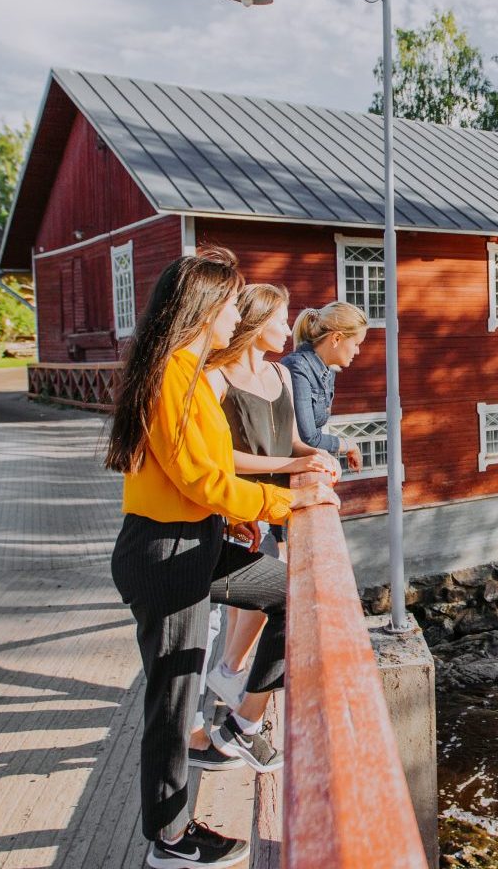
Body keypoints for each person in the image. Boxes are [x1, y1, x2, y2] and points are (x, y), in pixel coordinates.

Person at [105, 247, 337, 869]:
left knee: (292, 595)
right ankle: (171, 839)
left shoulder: (185, 367)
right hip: (165, 552)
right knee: (171, 699)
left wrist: (260, 502)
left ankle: (238, 722)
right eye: (233, 303)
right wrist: (289, 503)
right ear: (205, 306)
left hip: (196, 541)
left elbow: (208, 476)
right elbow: (204, 480)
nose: (238, 313)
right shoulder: (173, 374)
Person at [202, 282, 333, 710]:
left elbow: (294, 441)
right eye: (279, 319)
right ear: (256, 323)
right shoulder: (216, 378)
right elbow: (220, 458)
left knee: (258, 599)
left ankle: (229, 675)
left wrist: (317, 457)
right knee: (265, 592)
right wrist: (293, 466)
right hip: (238, 504)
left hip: (278, 502)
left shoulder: (280, 373)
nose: (287, 328)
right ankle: (229, 678)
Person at [281, 301, 371, 473]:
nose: (357, 352)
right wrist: (348, 444)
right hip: (285, 472)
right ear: (336, 338)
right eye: (356, 344)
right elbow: (308, 438)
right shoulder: (297, 367)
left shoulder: (328, 370)